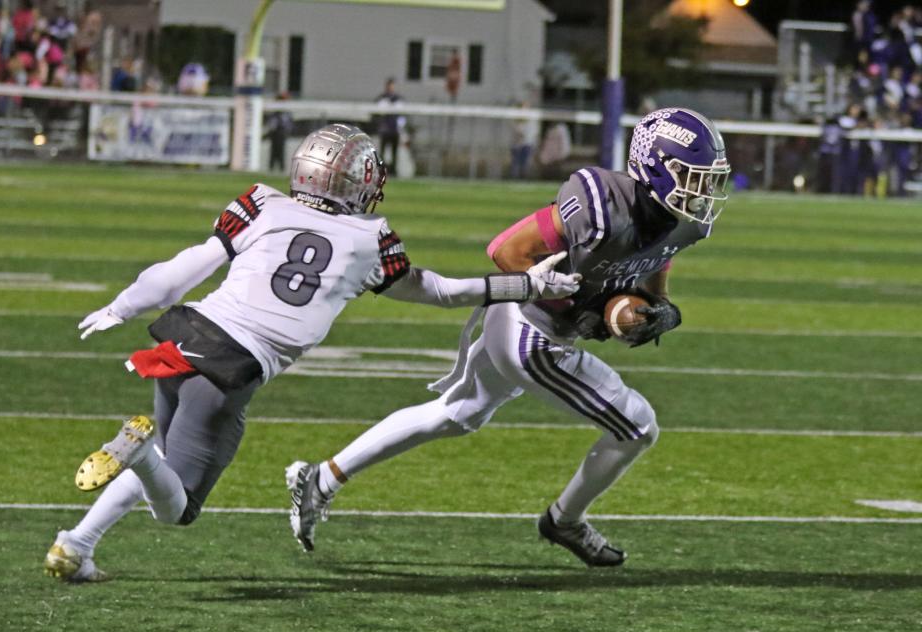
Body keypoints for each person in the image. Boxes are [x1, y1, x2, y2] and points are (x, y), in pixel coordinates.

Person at [43, 124, 581, 582]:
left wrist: (124, 305)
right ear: (360, 181)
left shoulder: (261, 203)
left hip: (185, 334)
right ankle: (130, 456)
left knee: (166, 454)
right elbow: (438, 290)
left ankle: (76, 544)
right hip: (231, 369)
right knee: (177, 507)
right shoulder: (369, 237)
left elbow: (188, 266)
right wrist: (523, 287)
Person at [286, 108, 731, 566]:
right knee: (637, 426)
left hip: (540, 327)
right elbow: (506, 250)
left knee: (455, 414)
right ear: (653, 165)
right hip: (529, 328)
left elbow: (657, 258)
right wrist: (590, 309)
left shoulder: (685, 221)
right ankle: (564, 520)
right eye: (689, 174)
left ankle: (322, 478)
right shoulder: (602, 204)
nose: (702, 189)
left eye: (707, 177)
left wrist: (660, 310)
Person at [376, 78, 404, 176]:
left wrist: (401, 127)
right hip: (385, 130)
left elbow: (402, 115)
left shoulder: (398, 99)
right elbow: (379, 112)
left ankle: (393, 170)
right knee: (383, 152)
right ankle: (382, 171)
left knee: (394, 152)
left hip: (394, 130)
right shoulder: (382, 98)